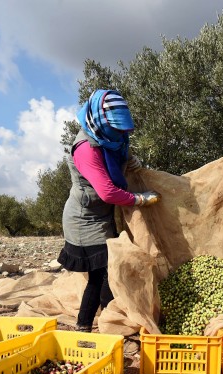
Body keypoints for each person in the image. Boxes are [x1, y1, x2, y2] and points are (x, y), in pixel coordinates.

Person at [57, 89, 160, 332]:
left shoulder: (111, 137)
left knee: (108, 272)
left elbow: (119, 150)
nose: (121, 134)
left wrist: (130, 161)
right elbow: (108, 192)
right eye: (116, 129)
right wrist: (140, 200)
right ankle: (92, 325)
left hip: (103, 216)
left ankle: (108, 321)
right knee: (103, 274)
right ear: (100, 122)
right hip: (84, 220)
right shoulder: (86, 148)